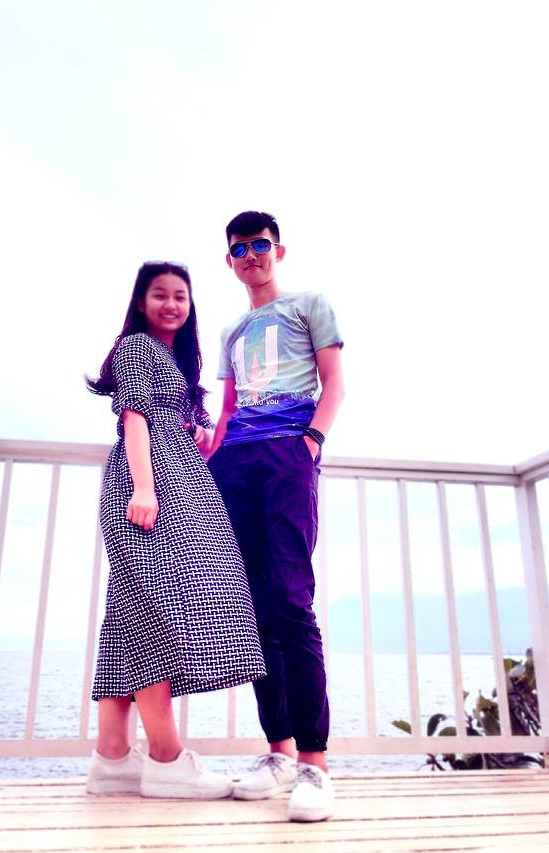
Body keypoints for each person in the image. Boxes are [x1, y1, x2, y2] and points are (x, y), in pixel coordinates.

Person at [85, 260, 266, 799]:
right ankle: (166, 759)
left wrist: (200, 430)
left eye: (180, 296)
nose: (170, 304)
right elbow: (134, 420)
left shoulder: (177, 363)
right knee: (154, 611)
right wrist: (144, 488)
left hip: (181, 481)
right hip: (150, 483)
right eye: (159, 294)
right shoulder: (137, 347)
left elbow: (177, 422)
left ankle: (112, 758)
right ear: (141, 302)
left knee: (131, 610)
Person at [207, 211, 345, 822]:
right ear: (230, 261)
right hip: (235, 463)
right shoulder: (231, 330)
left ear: (278, 250)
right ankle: (280, 752)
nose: (251, 256)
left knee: (290, 601)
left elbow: (335, 382)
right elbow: (228, 408)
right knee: (253, 612)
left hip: (288, 454)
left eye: (260, 245)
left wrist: (311, 441)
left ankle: (315, 765)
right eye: (239, 249)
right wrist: (208, 450)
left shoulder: (309, 304)